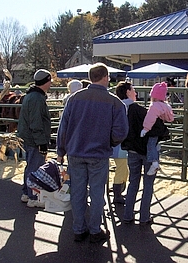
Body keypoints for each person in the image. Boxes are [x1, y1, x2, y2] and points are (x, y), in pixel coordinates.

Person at [56, 63, 128, 243]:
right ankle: (95, 230)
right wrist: (109, 142)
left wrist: (61, 150)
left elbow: (63, 128)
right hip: (99, 153)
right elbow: (121, 131)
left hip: (76, 152)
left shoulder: (74, 99)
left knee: (78, 192)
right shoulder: (114, 102)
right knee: (97, 194)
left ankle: (78, 229)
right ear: (105, 77)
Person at [118, 81, 169, 226]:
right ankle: (144, 216)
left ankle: (128, 215)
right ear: (128, 91)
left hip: (131, 150)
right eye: (133, 90)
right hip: (147, 151)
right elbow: (156, 127)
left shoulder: (119, 108)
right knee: (148, 184)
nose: (135, 93)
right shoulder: (138, 109)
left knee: (133, 182)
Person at [17, 69, 52, 208]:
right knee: (35, 168)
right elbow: (36, 123)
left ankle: (26, 193)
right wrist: (42, 142)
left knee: (30, 166)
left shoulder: (31, 96)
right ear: (46, 81)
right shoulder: (37, 99)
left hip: (28, 137)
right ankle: (33, 197)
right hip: (34, 139)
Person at [140, 82, 174, 175]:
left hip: (153, 130)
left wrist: (145, 129)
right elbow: (170, 118)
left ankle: (154, 163)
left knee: (150, 145)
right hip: (161, 129)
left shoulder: (154, 106)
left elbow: (149, 118)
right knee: (154, 145)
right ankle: (155, 162)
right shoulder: (166, 106)